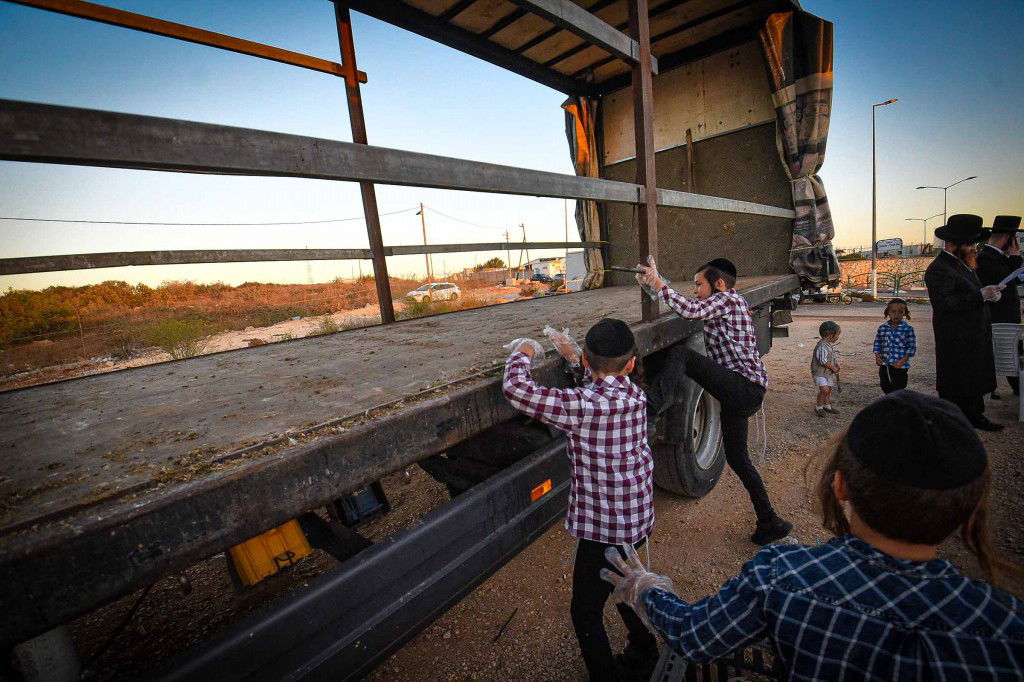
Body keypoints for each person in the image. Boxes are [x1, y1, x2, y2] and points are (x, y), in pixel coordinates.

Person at [601, 391, 1024, 680]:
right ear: (970, 506)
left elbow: (694, 636)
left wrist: (646, 590)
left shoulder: (782, 577)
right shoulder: (1007, 628)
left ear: (840, 486)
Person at [502, 319, 658, 681]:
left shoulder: (581, 406)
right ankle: (644, 647)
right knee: (626, 582)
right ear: (631, 363)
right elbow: (601, 387)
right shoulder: (633, 394)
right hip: (637, 516)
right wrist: (575, 358)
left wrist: (524, 351)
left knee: (585, 613)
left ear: (589, 362)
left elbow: (517, 389)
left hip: (604, 529)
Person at [637, 257, 792, 545]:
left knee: (681, 356)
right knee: (738, 459)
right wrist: (656, 284)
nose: (695, 290)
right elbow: (692, 304)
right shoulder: (725, 303)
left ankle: (648, 407)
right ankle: (770, 521)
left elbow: (691, 310)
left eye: (699, 284)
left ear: (719, 284)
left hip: (743, 388)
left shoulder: (728, 301)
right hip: (741, 392)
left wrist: (659, 284)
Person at [924, 214, 1005, 431]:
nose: (974, 248)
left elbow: (969, 293)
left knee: (973, 378)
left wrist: (989, 294)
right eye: (970, 244)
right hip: (955, 337)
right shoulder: (940, 268)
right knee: (958, 381)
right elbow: (944, 303)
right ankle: (956, 422)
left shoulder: (963, 265)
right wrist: (980, 295)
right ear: (955, 244)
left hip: (972, 333)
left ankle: (974, 415)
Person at [977, 215, 1023, 397]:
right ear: (1008, 238)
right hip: (999, 317)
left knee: (1010, 353)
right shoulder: (987, 258)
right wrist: (1014, 259)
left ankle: (1017, 388)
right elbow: (1002, 278)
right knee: (1008, 354)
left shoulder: (997, 257)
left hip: (1006, 317)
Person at [873, 298, 916, 394]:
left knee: (899, 385)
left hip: (900, 365)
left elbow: (911, 348)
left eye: (900, 312)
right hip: (885, 364)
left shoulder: (908, 329)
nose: (896, 314)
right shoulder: (882, 328)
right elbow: (877, 343)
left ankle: (896, 402)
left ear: (905, 313)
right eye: (893, 312)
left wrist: (902, 360)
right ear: (888, 312)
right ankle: (890, 400)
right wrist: (877, 356)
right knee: (884, 384)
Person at [810, 321, 841, 416]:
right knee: (824, 390)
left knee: (829, 389)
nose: (838, 337)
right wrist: (833, 367)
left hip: (827, 373)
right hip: (819, 373)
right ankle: (818, 407)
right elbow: (823, 361)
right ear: (830, 335)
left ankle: (827, 406)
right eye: (837, 335)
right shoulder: (822, 346)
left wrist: (836, 364)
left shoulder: (827, 345)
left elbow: (831, 357)